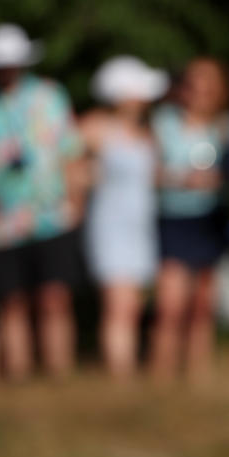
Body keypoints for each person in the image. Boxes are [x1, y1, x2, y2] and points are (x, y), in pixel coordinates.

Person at [0, 24, 85, 382]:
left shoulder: (49, 96)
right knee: (10, 302)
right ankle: (19, 376)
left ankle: (59, 375)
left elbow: (70, 152)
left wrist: (76, 199)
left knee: (55, 297)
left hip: (50, 215)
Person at [149, 56, 229, 384]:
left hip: (210, 218)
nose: (201, 92)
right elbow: (147, 171)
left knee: (202, 303)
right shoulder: (162, 123)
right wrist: (179, 179)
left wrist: (220, 180)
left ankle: (199, 374)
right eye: (194, 85)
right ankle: (161, 374)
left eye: (208, 86)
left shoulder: (225, 127)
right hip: (173, 217)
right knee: (170, 304)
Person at [81, 56, 167, 379]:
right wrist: (85, 177)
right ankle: (121, 378)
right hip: (110, 225)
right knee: (118, 306)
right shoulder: (95, 128)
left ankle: (127, 372)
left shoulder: (147, 133)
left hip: (141, 227)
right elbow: (65, 166)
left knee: (133, 307)